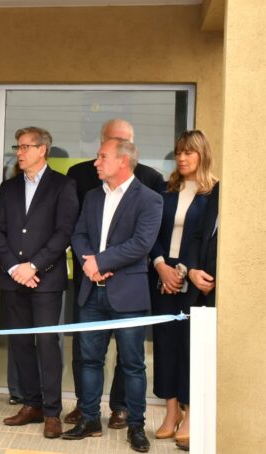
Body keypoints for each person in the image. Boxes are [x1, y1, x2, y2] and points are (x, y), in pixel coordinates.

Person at [63, 137, 162, 453]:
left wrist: (100, 262)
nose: (96, 162)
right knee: (89, 360)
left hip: (128, 296)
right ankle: (90, 419)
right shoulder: (93, 196)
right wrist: (89, 264)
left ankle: (136, 426)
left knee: (132, 364)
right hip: (92, 292)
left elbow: (141, 244)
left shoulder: (149, 199)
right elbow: (78, 234)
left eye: (102, 156)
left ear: (123, 160)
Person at [0, 127, 78, 439]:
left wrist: (34, 266)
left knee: (47, 344)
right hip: (14, 278)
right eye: (18, 147)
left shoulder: (63, 185)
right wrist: (15, 267)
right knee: (20, 343)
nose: (20, 152)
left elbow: (64, 232)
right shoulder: (9, 187)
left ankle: (52, 412)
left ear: (43, 150)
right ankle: (32, 404)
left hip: (46, 279)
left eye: (26, 147)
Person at [149, 131, 216, 450]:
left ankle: (190, 415)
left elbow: (206, 239)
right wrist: (161, 265)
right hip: (163, 273)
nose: (182, 158)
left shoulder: (213, 192)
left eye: (189, 152)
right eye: (178, 152)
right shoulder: (166, 190)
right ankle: (171, 411)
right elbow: (151, 233)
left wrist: (185, 270)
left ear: (202, 154)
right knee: (165, 344)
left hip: (194, 276)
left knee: (189, 346)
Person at [177, 178, 219, 452]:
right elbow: (197, 235)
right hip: (200, 290)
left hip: (228, 294)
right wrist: (191, 270)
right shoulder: (219, 190)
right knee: (195, 356)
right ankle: (193, 421)